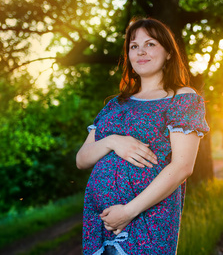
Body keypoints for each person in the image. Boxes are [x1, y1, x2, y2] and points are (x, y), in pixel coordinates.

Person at [76, 17, 209, 255]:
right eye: (134, 46)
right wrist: (113, 141)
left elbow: (182, 167)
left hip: (147, 220)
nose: (141, 52)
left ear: (168, 52)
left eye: (150, 44)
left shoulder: (182, 98)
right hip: (101, 220)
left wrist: (127, 212)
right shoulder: (115, 105)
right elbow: (82, 159)